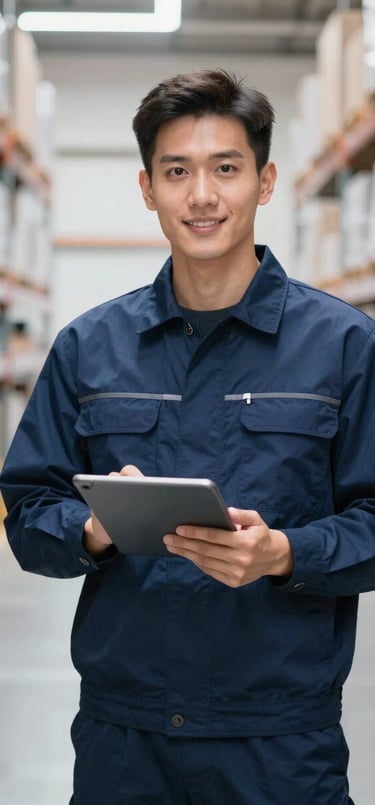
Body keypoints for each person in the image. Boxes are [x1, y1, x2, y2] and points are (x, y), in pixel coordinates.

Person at [0, 67, 370, 804]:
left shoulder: (344, 346)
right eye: (176, 171)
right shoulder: (88, 347)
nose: (201, 195)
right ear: (147, 188)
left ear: (264, 182)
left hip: (277, 744)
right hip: (122, 741)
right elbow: (28, 509)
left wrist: (285, 551)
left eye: (225, 168)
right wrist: (94, 527)